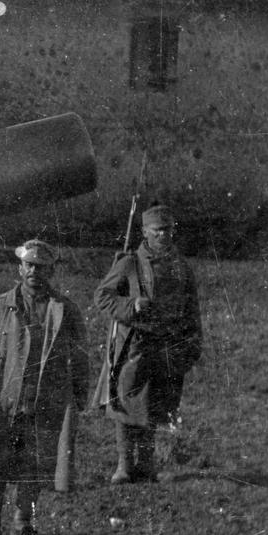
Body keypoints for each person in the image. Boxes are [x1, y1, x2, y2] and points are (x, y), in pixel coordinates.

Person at [0, 240, 90, 535]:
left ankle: (25, 522)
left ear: (52, 271)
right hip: (0, 400)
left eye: (41, 267)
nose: (34, 272)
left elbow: (81, 357)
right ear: (20, 268)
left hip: (43, 400)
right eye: (29, 265)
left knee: (33, 464)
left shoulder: (66, 311)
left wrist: (77, 395)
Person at [93, 205, 203, 484]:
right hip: (135, 345)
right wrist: (131, 305)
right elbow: (103, 297)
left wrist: (193, 343)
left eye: (168, 229)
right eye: (158, 230)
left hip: (169, 344)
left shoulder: (181, 267)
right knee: (125, 401)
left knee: (157, 404)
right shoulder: (130, 263)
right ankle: (124, 466)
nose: (164, 235)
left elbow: (192, 308)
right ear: (144, 232)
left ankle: (148, 465)